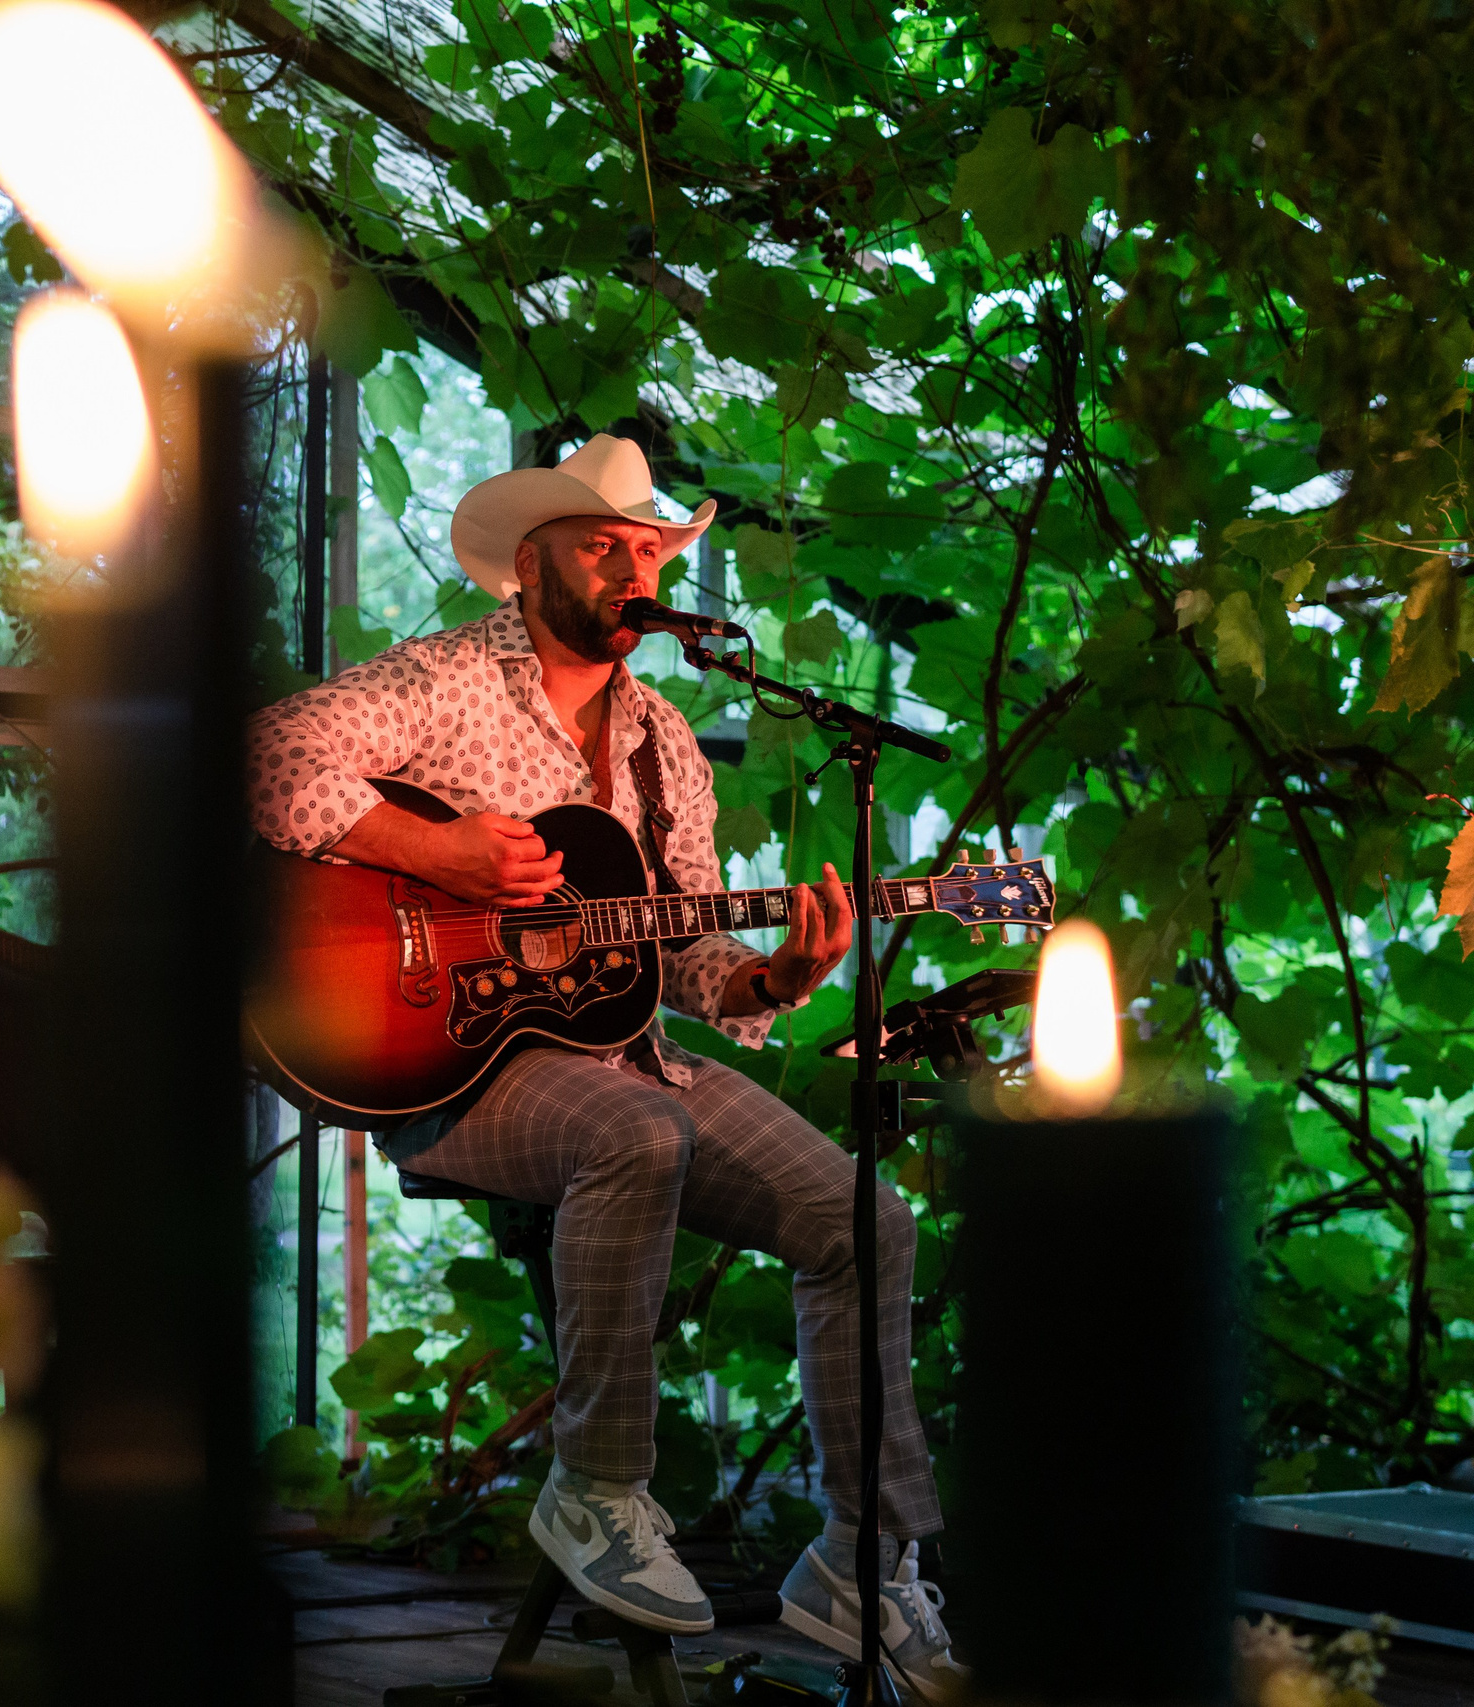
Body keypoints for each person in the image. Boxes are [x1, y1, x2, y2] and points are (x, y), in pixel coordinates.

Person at [247, 435, 965, 1699]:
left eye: (647, 550)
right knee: (638, 1134)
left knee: (862, 1216)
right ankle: (595, 1489)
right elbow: (259, 759)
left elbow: (681, 947)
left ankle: (865, 1558)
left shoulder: (662, 741)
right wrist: (440, 855)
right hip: (445, 1065)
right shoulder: (446, 680)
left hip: (619, 1055)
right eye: (602, 546)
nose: (631, 569)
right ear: (528, 569)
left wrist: (771, 981)